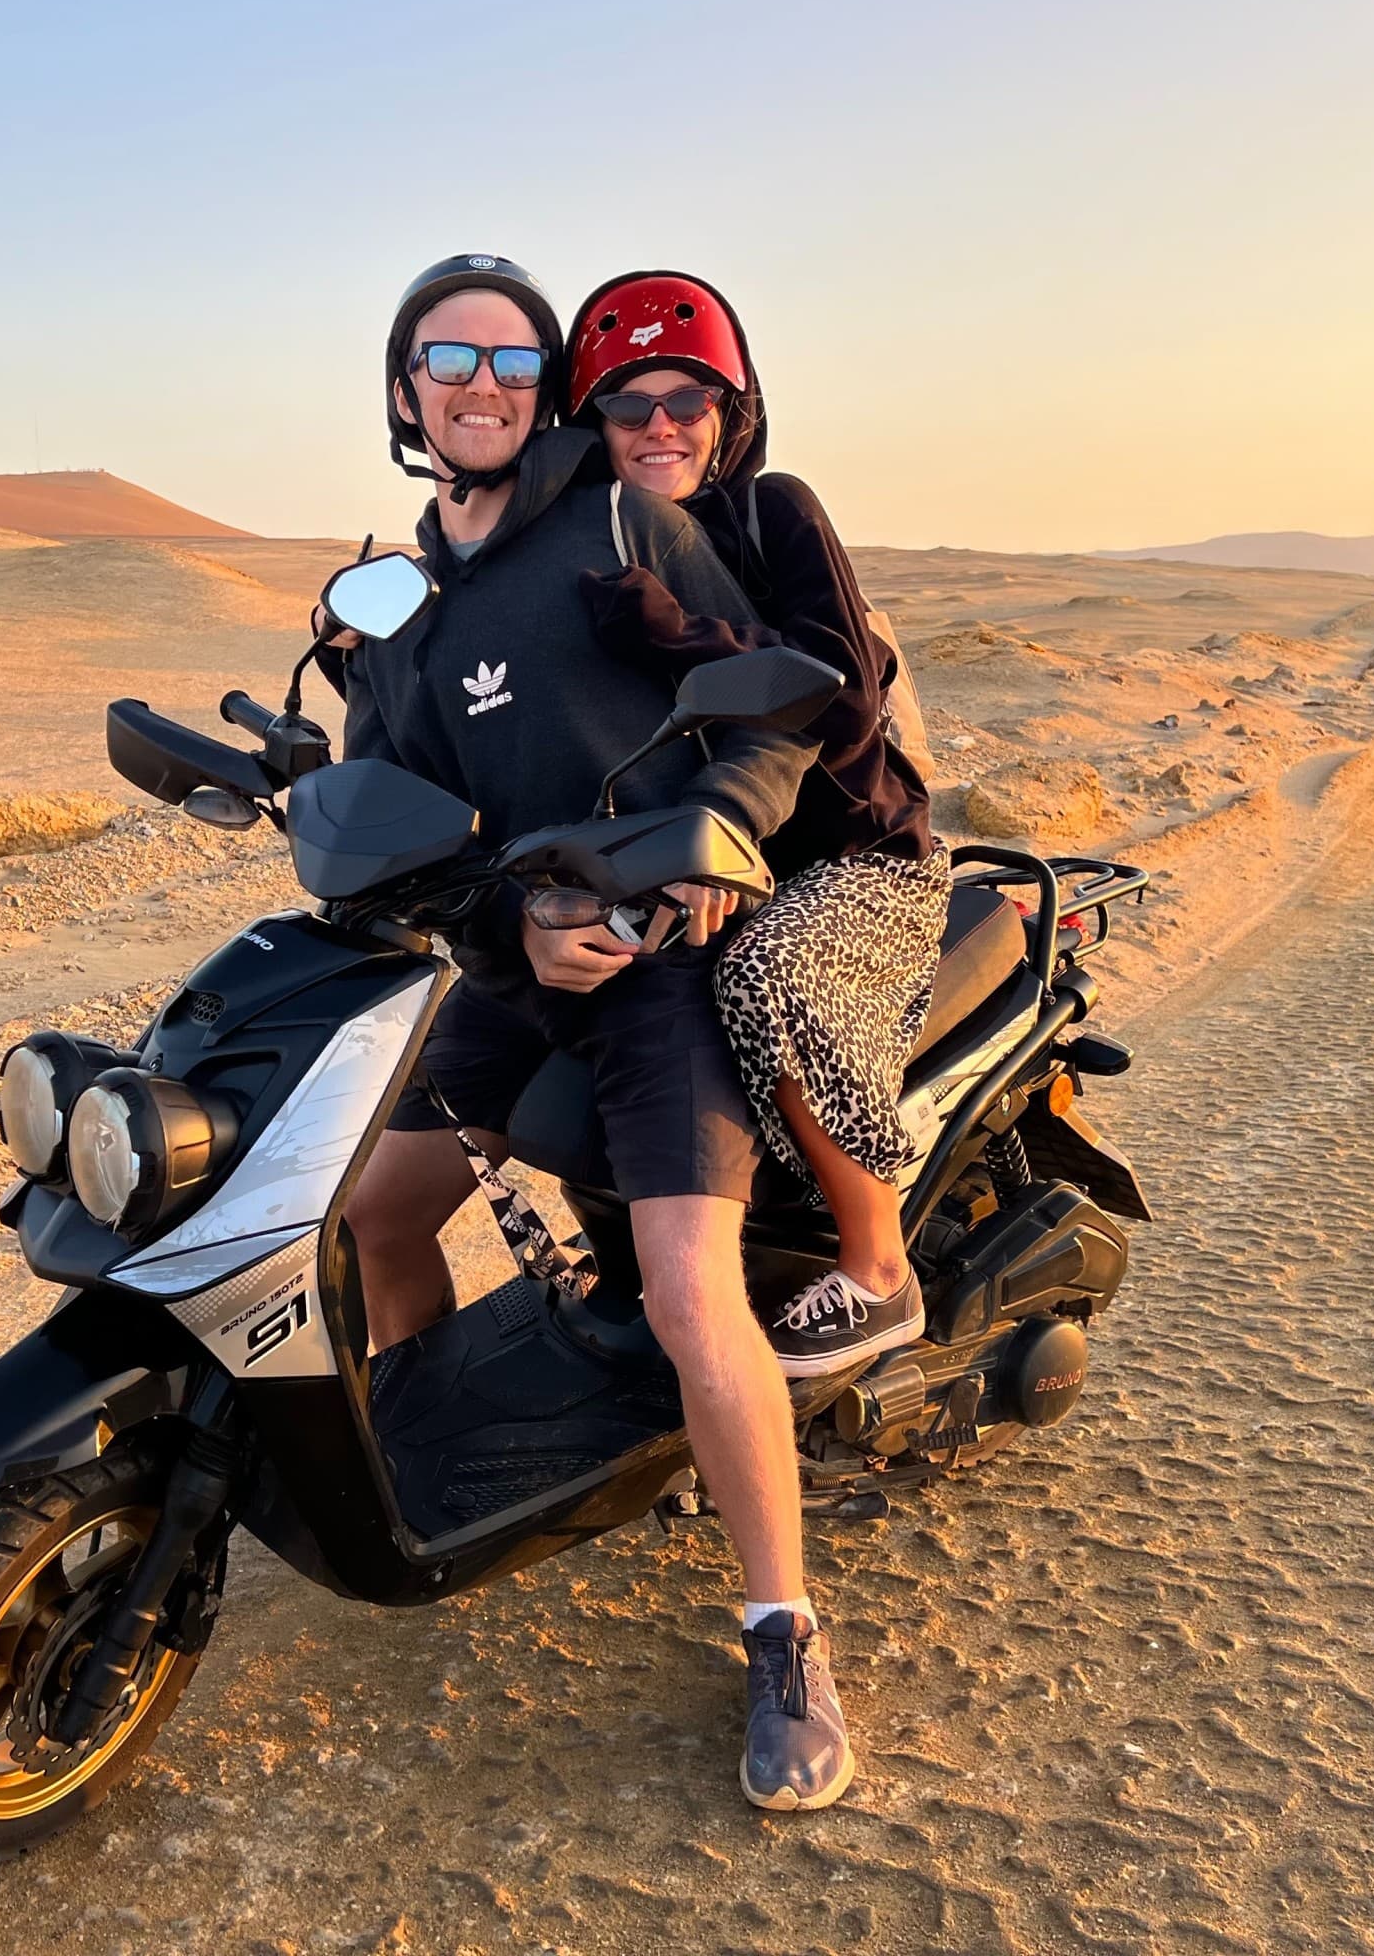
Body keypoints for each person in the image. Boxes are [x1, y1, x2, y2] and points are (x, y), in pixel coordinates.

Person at [331, 253, 859, 1810]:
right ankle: (429, 1450)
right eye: (449, 357)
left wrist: (703, 849)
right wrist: (499, 928)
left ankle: (786, 1633)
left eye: (510, 359)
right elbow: (408, 820)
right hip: (512, 967)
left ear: (541, 383)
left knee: (697, 1300)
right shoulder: (407, 603)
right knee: (377, 1211)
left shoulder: (619, 522)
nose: (480, 385)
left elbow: (767, 714)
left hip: (672, 962)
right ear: (406, 389)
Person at [566, 270, 948, 1380]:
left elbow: (841, 699)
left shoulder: (773, 508)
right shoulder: (601, 539)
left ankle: (880, 1273)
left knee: (760, 976)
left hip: (855, 855)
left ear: (731, 413)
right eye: (627, 405)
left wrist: (676, 632)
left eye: (687, 400)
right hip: (716, 854)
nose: (658, 426)